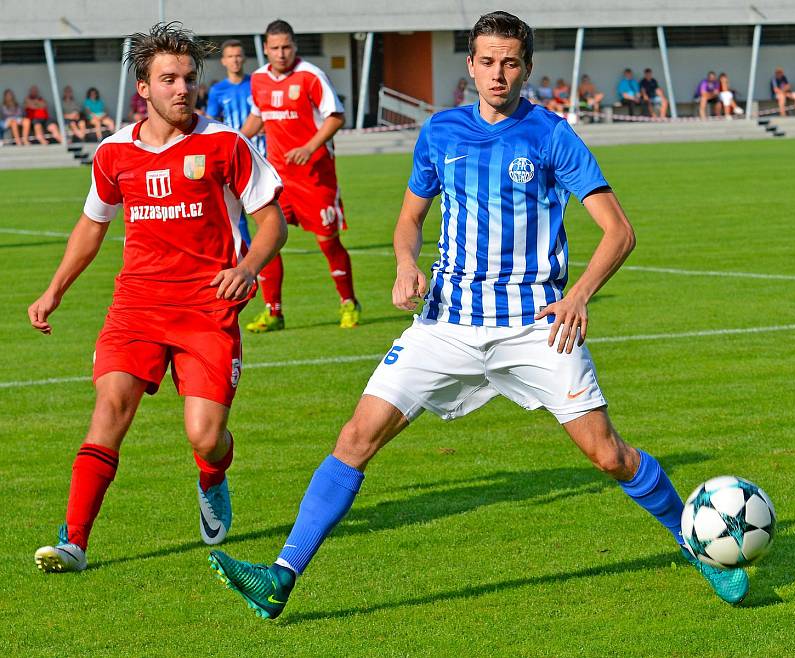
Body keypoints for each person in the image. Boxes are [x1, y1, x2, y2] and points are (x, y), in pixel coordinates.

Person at [208, 10, 749, 619]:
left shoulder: (551, 135)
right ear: (470, 66)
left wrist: (578, 296)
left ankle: (701, 548)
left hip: (535, 327)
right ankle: (280, 576)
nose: (498, 74)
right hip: (446, 323)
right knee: (355, 439)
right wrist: (405, 264)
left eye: (510, 63)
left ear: (526, 68)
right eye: (487, 62)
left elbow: (618, 232)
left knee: (609, 455)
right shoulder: (441, 132)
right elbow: (408, 221)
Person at [30, 22, 287, 574]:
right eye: (167, 79)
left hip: (206, 310)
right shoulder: (113, 153)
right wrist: (53, 292)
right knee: (110, 409)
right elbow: (91, 227)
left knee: (207, 435)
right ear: (142, 88)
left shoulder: (225, 144)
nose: (181, 89)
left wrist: (246, 268)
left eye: (189, 78)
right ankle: (74, 540)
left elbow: (273, 224)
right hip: (137, 309)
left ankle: (212, 477)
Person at [241, 19, 361, 331]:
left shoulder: (311, 76)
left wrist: (308, 148)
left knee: (327, 242)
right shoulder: (258, 80)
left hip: (315, 176)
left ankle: (349, 302)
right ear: (266, 49)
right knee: (267, 240)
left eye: (287, 47)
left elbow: (335, 117)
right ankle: (273, 311)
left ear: (295, 47)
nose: (281, 53)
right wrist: (237, 142)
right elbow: (258, 116)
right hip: (278, 177)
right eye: (275, 48)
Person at [206, 38, 268, 246]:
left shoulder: (257, 83)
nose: (235, 61)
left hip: (262, 153)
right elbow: (213, 121)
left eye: (239, 56)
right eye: (230, 57)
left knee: (266, 210)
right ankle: (248, 256)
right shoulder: (218, 91)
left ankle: (266, 251)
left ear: (244, 58)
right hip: (233, 156)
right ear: (223, 61)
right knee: (236, 211)